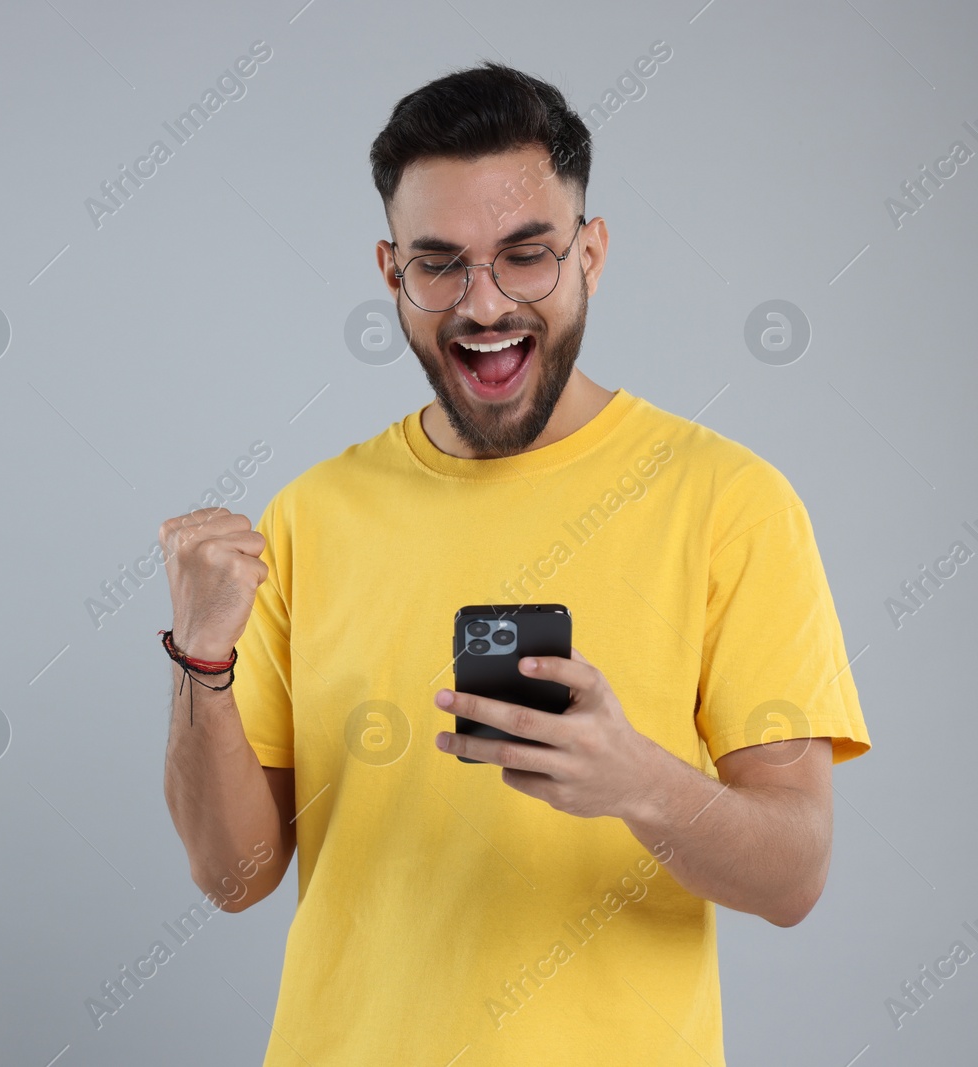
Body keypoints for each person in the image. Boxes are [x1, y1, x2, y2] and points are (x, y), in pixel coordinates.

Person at [157, 60, 871, 1066]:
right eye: (439, 262)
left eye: (525, 255)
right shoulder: (312, 515)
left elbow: (793, 875)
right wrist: (199, 660)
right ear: (389, 271)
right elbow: (234, 876)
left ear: (590, 254)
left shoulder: (728, 501)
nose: (481, 303)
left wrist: (638, 781)